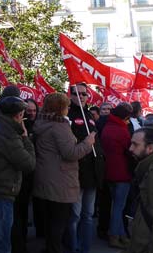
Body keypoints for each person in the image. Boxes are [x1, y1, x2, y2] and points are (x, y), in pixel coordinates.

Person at [32, 93, 95, 253]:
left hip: (46, 177)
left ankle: (50, 248)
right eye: (66, 106)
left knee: (50, 220)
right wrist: (87, 143)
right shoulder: (59, 126)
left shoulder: (42, 122)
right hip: (60, 180)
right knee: (59, 222)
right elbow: (71, 153)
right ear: (61, 108)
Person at [0, 96, 36, 253]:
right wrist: (25, 138)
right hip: (1, 192)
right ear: (18, 115)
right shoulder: (9, 135)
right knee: (1, 243)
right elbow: (29, 163)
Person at [66, 83, 100, 253]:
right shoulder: (68, 116)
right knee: (75, 216)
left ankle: (85, 248)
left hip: (92, 175)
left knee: (88, 215)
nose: (81, 96)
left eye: (84, 94)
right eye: (76, 93)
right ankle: (73, 247)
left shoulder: (90, 115)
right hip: (76, 173)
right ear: (70, 95)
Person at [101, 102, 132, 249]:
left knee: (116, 205)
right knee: (119, 207)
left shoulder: (108, 127)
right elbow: (129, 149)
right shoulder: (122, 130)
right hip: (122, 172)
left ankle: (121, 234)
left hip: (109, 170)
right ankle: (115, 235)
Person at [12, 98, 38, 253]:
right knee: (19, 210)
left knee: (24, 209)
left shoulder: (39, 125)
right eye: (28, 111)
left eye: (35, 111)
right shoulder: (16, 129)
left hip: (31, 174)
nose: (32, 114)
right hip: (20, 173)